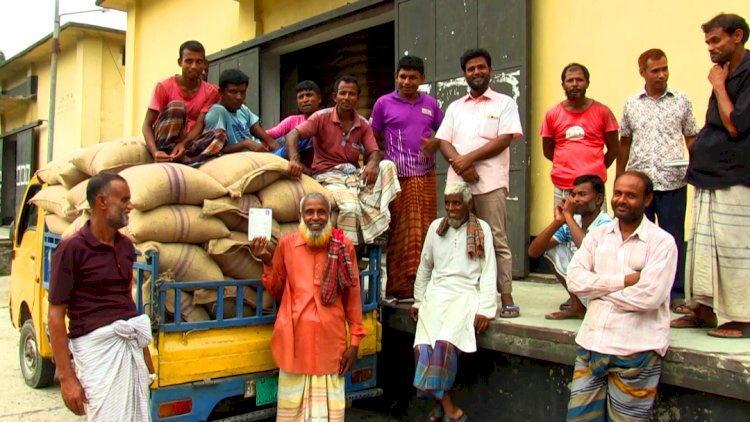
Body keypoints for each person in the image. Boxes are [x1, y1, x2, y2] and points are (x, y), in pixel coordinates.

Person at [566, 171, 677, 422]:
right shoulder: (597, 236)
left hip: (635, 353)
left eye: (631, 195)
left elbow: (649, 296)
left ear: (648, 200)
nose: (622, 200)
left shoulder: (662, 243)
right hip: (591, 346)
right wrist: (622, 282)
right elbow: (574, 280)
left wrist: (598, 292)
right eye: (618, 193)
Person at [250, 192, 365, 422]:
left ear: (329, 215)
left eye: (321, 212)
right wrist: (265, 260)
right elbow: (276, 289)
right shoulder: (286, 245)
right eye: (309, 212)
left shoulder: (343, 246)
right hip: (295, 345)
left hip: (331, 346)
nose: (316, 217)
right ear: (300, 216)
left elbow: (352, 297)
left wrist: (354, 343)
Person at [48, 173, 154, 420]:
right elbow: (55, 317)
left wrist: (144, 356)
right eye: (124, 200)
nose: (131, 205)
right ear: (102, 202)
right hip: (97, 355)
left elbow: (126, 304)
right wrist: (66, 378)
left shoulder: (127, 247)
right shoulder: (71, 249)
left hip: (128, 349)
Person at [672, 13, 750, 339]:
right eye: (707, 42)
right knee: (703, 246)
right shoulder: (725, 70)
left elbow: (736, 124)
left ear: (738, 36)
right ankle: (703, 308)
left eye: (716, 40)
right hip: (709, 173)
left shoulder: (743, 74)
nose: (710, 48)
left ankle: (741, 318)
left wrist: (718, 86)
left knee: (734, 250)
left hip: (735, 176)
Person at [434, 48, 524, 318]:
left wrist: (467, 161)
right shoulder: (454, 107)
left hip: (491, 182)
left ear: (490, 70)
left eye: (481, 67)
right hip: (458, 184)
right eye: (471, 69)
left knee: (496, 237)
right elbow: (443, 141)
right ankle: (464, 291)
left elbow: (504, 139)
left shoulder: (504, 103)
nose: (477, 72)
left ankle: (505, 296)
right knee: (457, 237)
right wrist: (459, 164)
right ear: (465, 74)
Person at [617, 49, 700, 314]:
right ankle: (640, 287)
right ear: (642, 71)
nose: (661, 74)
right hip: (640, 185)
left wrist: (698, 169)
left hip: (673, 181)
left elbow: (691, 137)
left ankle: (676, 294)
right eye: (655, 70)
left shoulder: (681, 101)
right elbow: (625, 142)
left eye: (665, 69)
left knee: (673, 238)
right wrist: (620, 178)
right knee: (638, 237)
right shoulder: (631, 104)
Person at [410, 181, 496, 422]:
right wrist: (418, 300)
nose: (451, 208)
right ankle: (448, 408)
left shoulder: (482, 229)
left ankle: (441, 406)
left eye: (456, 203)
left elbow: (489, 270)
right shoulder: (436, 228)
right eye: (447, 203)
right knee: (423, 347)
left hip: (465, 295)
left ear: (468, 204)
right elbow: (425, 266)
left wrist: (486, 310)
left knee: (445, 345)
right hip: (436, 295)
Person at [285, 75, 401, 245]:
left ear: (357, 98)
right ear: (335, 97)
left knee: (387, 165)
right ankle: (347, 254)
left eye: (351, 94)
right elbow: (292, 134)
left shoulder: (362, 123)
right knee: (351, 208)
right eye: (343, 93)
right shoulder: (321, 117)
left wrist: (371, 163)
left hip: (354, 177)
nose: (347, 98)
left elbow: (374, 152)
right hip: (328, 176)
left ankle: (369, 213)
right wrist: (294, 160)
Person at [370, 55, 444, 299]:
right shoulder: (383, 103)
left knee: (426, 230)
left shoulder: (431, 104)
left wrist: (436, 142)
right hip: (397, 180)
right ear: (396, 77)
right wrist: (378, 161)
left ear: (422, 79)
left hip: (426, 176)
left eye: (413, 77)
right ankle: (399, 289)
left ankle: (425, 287)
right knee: (400, 232)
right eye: (403, 76)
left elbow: (445, 131)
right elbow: (372, 136)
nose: (407, 81)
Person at [527, 174, 612, 320]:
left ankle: (589, 307)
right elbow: (533, 252)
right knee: (552, 249)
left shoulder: (606, 224)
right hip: (583, 284)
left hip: (603, 290)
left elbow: (589, 251)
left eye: (582, 194)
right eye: (573, 194)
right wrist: (558, 222)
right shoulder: (573, 221)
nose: (576, 199)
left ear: (598, 199)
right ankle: (578, 307)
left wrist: (568, 217)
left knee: (582, 256)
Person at [541, 63, 619, 211]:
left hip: (594, 188)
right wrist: (566, 165)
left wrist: (595, 168)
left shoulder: (603, 112)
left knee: (597, 231)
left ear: (587, 83)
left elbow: (614, 149)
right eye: (570, 80)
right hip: (562, 186)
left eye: (579, 80)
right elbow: (547, 150)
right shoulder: (552, 114)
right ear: (563, 85)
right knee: (563, 229)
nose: (575, 84)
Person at [142, 40, 225, 165]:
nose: (194, 66)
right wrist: (154, 152)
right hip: (164, 140)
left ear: (204, 64)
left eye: (199, 62)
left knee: (220, 135)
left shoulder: (210, 91)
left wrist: (183, 144)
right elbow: (147, 124)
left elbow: (199, 125)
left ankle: (187, 159)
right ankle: (166, 155)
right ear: (180, 62)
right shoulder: (164, 86)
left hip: (188, 144)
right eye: (189, 61)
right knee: (177, 107)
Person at [203, 69, 281, 153]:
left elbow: (255, 127)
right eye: (233, 92)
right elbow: (214, 151)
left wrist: (271, 142)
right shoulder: (218, 111)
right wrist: (245, 144)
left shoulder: (243, 109)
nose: (239, 97)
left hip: (257, 153)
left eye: (243, 92)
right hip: (238, 160)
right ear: (221, 92)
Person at [266, 80, 322, 162]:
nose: (305, 100)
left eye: (309, 95)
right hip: (286, 160)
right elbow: (268, 134)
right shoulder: (292, 120)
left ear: (319, 99)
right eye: (301, 97)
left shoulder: (326, 119)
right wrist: (271, 143)